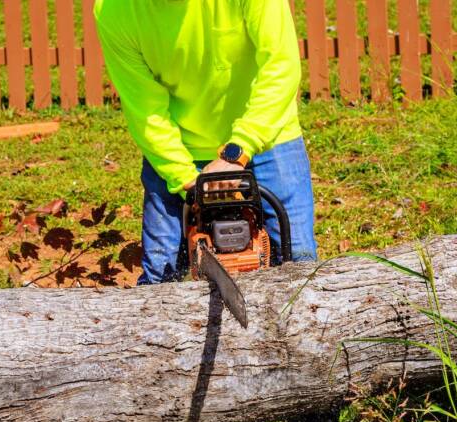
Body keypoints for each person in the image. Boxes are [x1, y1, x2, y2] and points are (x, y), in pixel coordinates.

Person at [94, 0, 318, 284]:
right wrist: (185, 179)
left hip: (268, 135)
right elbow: (145, 111)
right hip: (179, 146)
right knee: (159, 279)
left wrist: (238, 152)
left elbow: (281, 67)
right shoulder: (115, 10)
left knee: (298, 263)